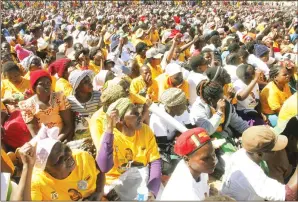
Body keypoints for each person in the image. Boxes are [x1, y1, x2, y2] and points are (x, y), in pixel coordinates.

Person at [93, 98, 161, 199]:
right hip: (116, 185)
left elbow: (155, 161)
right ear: (120, 120)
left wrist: (152, 191)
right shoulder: (110, 136)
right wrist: (109, 129)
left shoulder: (145, 130)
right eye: (134, 113)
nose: (139, 115)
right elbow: (104, 167)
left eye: (138, 111)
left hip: (140, 180)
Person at [221, 126, 297, 201]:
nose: (276, 153)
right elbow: (288, 195)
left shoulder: (240, 153)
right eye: (273, 151)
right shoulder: (252, 173)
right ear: (259, 154)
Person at [30, 137, 104, 201]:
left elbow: (100, 170)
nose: (68, 155)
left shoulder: (82, 157)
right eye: (60, 158)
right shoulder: (37, 182)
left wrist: (99, 191)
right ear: (47, 170)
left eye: (66, 149)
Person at [161, 127, 217, 201]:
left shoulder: (197, 167)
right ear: (186, 159)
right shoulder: (187, 194)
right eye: (205, 158)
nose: (213, 160)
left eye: (213, 153)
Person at [18, 70, 73, 141]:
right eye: (42, 84)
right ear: (34, 87)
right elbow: (34, 133)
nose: (46, 86)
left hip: (62, 137)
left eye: (48, 83)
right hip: (43, 142)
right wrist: (48, 145)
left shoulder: (59, 97)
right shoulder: (27, 106)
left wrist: (57, 141)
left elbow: (68, 125)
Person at [68, 70, 101, 140]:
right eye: (85, 82)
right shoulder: (70, 101)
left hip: (97, 135)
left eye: (89, 80)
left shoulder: (98, 96)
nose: (90, 83)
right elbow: (70, 124)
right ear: (77, 87)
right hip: (79, 138)